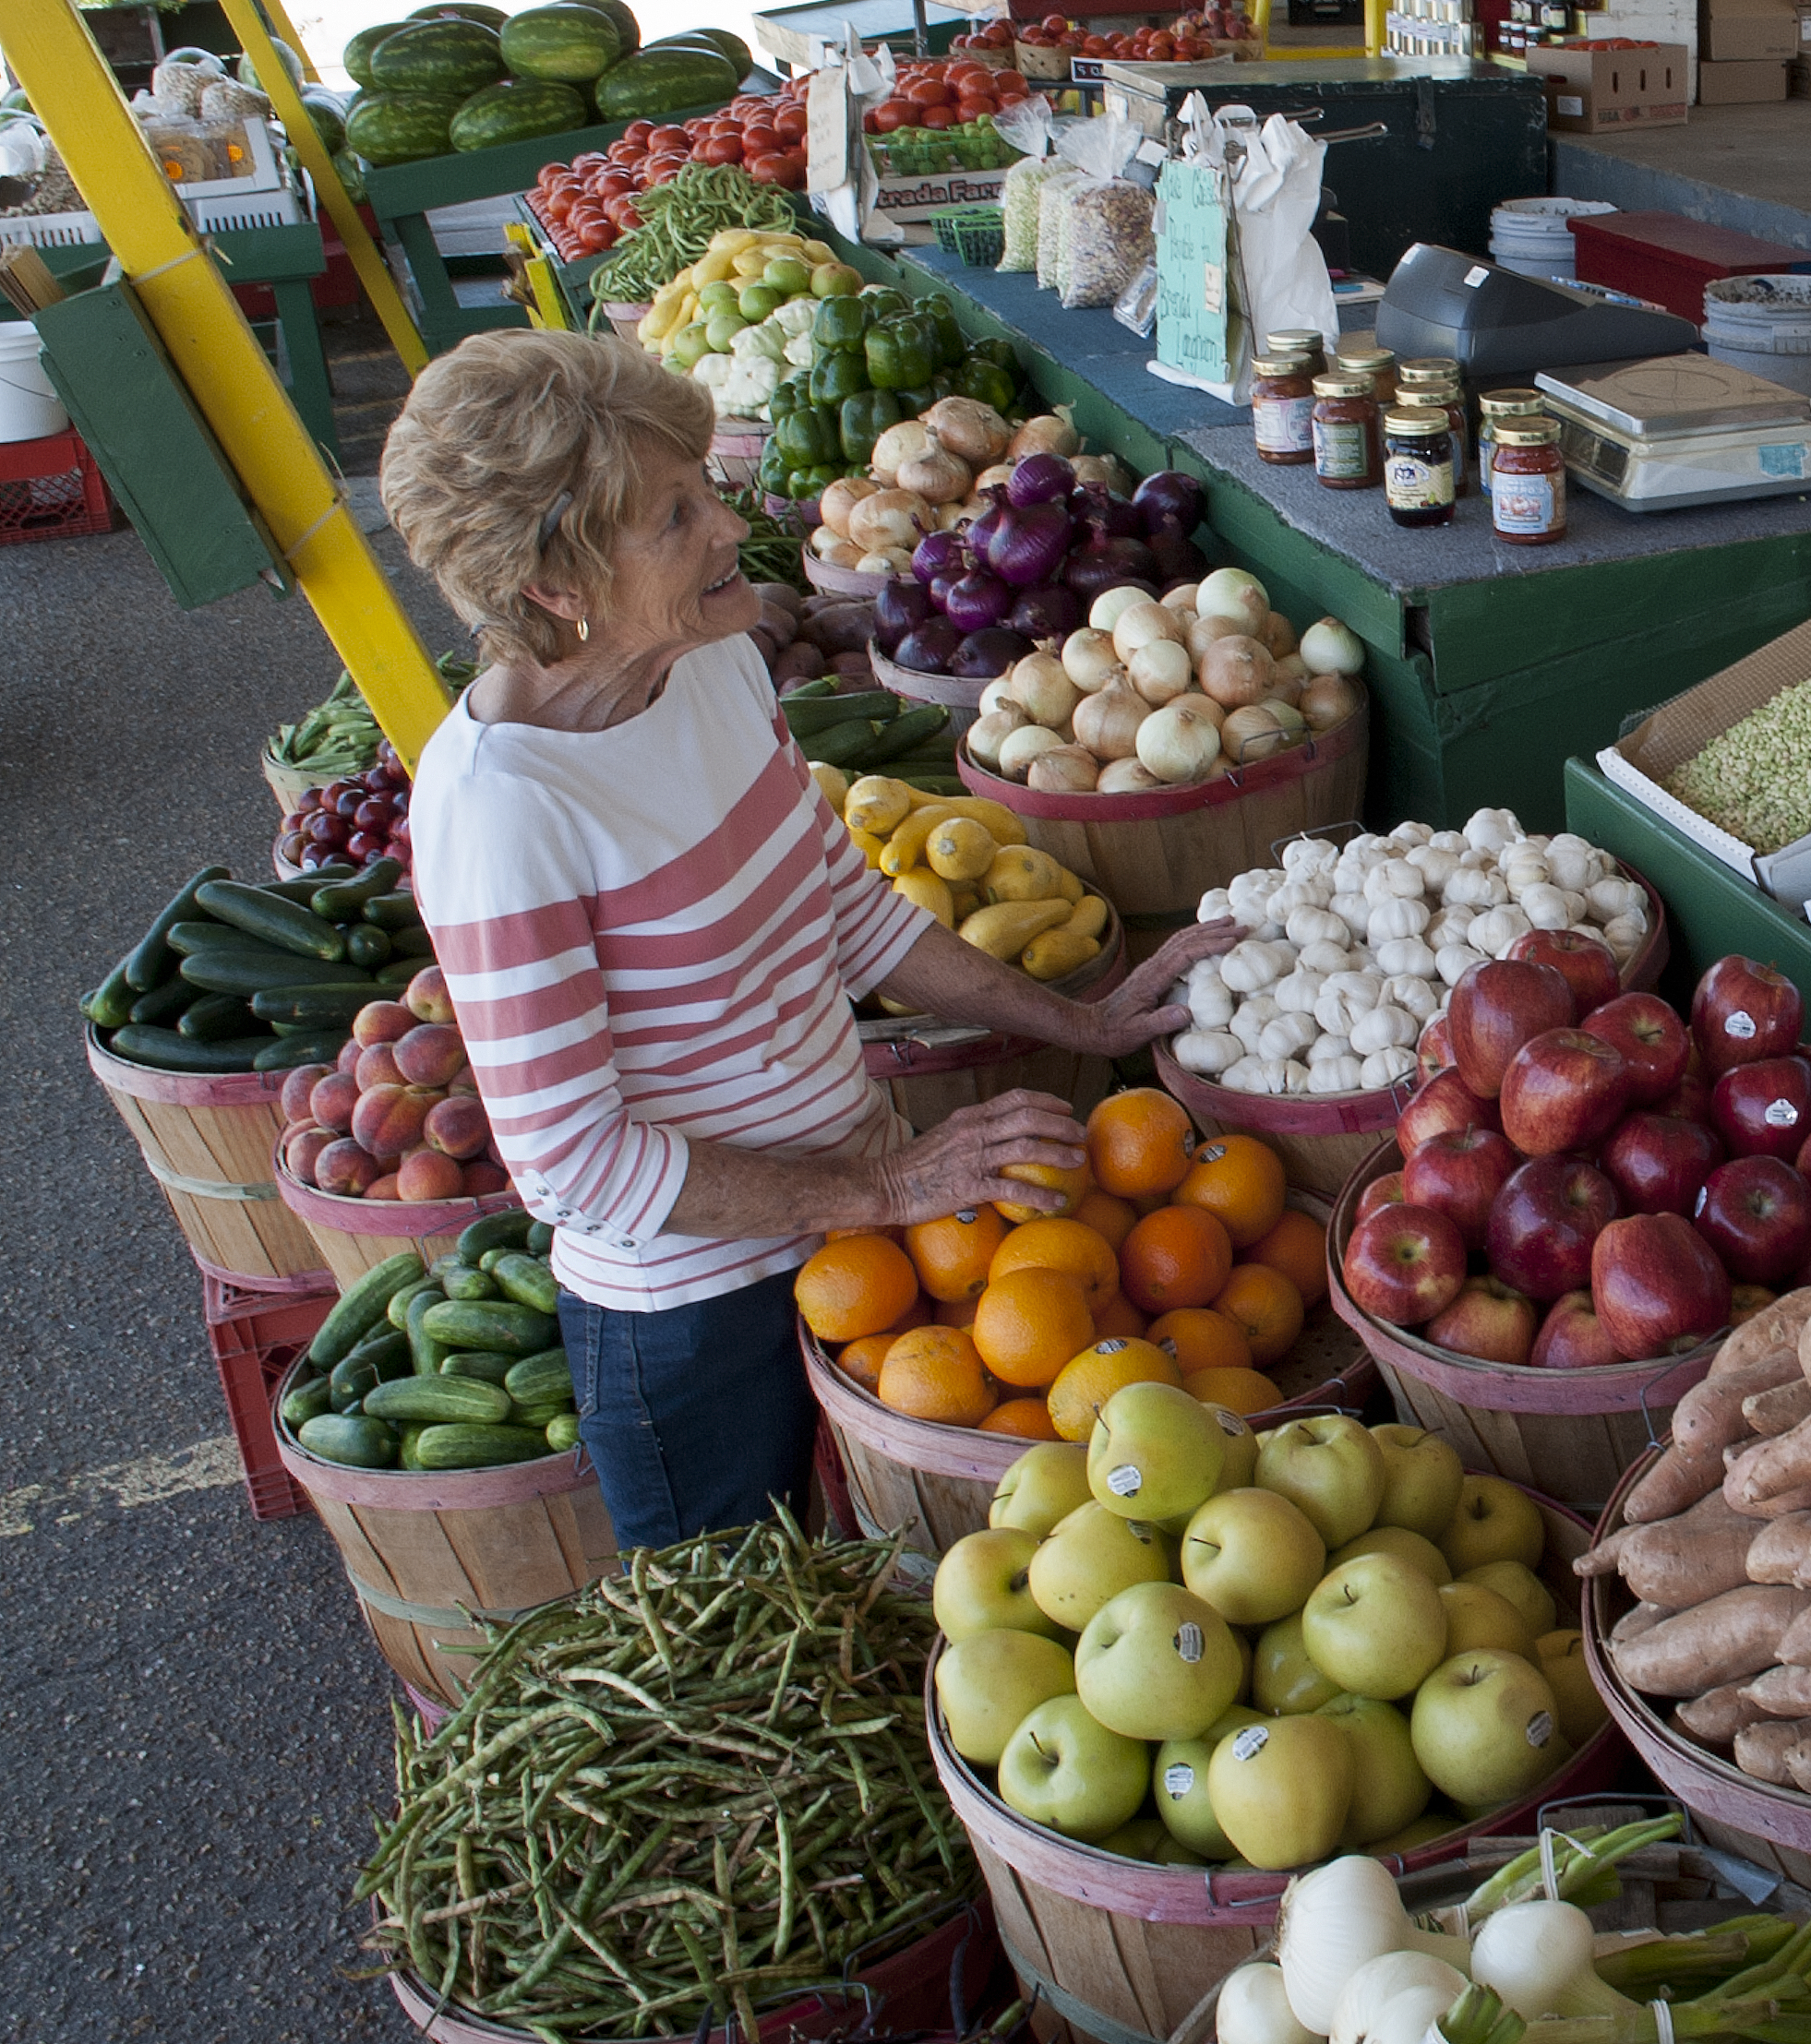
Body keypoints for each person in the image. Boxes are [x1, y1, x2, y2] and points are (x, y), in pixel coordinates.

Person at [379, 330, 1239, 1548]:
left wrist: (1083, 1021)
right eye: (674, 517)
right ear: (554, 588)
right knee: (751, 1672)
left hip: (865, 1240)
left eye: (703, 488)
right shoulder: (503, 809)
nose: (727, 527)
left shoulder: (715, 664)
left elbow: (837, 902)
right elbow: (570, 1163)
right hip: (693, 1320)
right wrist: (887, 1185)